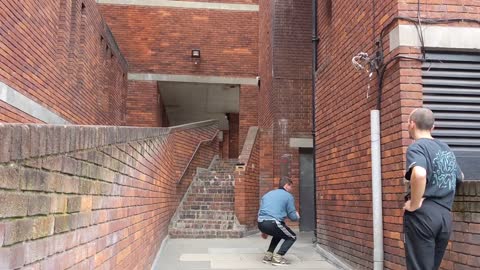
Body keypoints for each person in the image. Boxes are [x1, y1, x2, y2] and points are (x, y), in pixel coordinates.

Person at [403, 108, 464, 270]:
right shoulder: (446, 149)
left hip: (424, 215)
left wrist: (414, 204)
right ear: (433, 127)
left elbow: (420, 174)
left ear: (411, 124)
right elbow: (460, 177)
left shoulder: (417, 148)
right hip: (445, 216)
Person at [257, 177, 300, 266]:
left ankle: (268, 255)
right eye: (291, 186)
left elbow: (261, 211)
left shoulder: (268, 194)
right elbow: (292, 216)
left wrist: (263, 230)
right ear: (286, 185)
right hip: (273, 223)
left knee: (279, 233)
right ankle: (278, 258)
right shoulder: (288, 196)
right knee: (292, 237)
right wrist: (297, 216)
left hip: (261, 223)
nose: (291, 189)